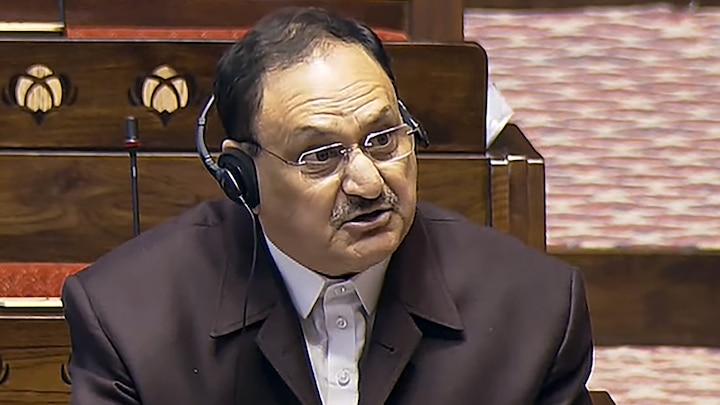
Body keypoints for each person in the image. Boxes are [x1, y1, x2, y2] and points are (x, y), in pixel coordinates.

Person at [61, 7, 594, 405]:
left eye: (383, 139)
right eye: (320, 156)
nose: (367, 183)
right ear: (242, 176)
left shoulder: (534, 310)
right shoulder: (130, 319)